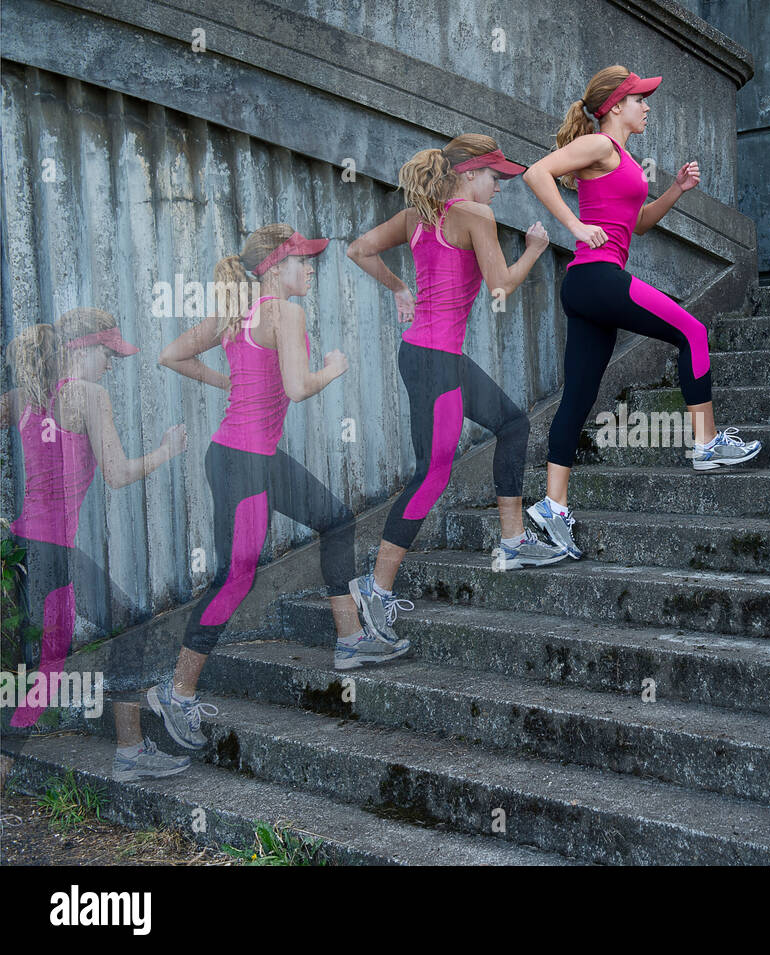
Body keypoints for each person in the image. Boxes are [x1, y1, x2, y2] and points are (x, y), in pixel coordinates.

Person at [150, 224, 405, 754]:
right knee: (235, 578)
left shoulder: (236, 315)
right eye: (302, 261)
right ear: (274, 268)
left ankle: (351, 639)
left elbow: (170, 355)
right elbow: (297, 387)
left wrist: (232, 383)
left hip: (251, 457)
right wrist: (333, 368)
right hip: (241, 462)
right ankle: (177, 693)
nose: (310, 269)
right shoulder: (284, 313)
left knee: (335, 519)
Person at [521, 66, 761, 558]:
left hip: (589, 288)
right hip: (596, 276)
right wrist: (575, 226)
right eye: (639, 100)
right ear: (614, 106)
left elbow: (640, 225)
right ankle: (706, 443)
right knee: (692, 331)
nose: (647, 107)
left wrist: (675, 191)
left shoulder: (623, 158)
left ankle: (553, 507)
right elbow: (535, 173)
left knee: (579, 397)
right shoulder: (601, 146)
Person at [344, 135, 567, 639]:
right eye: (494, 177)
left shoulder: (417, 215)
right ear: (468, 175)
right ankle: (375, 590)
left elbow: (359, 249)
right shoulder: (475, 216)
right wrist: (533, 250)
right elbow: (501, 286)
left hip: (428, 355)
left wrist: (400, 289)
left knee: (511, 422)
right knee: (432, 474)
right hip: (437, 362)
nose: (499, 187)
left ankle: (513, 539)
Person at [2, 308, 190, 780]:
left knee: (49, 666)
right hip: (54, 552)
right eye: (108, 353)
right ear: (83, 348)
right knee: (130, 626)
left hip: (27, 548)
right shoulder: (89, 395)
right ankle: (131, 751)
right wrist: (167, 450)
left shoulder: (27, 395)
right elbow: (119, 474)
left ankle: (8, 762)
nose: (111, 364)